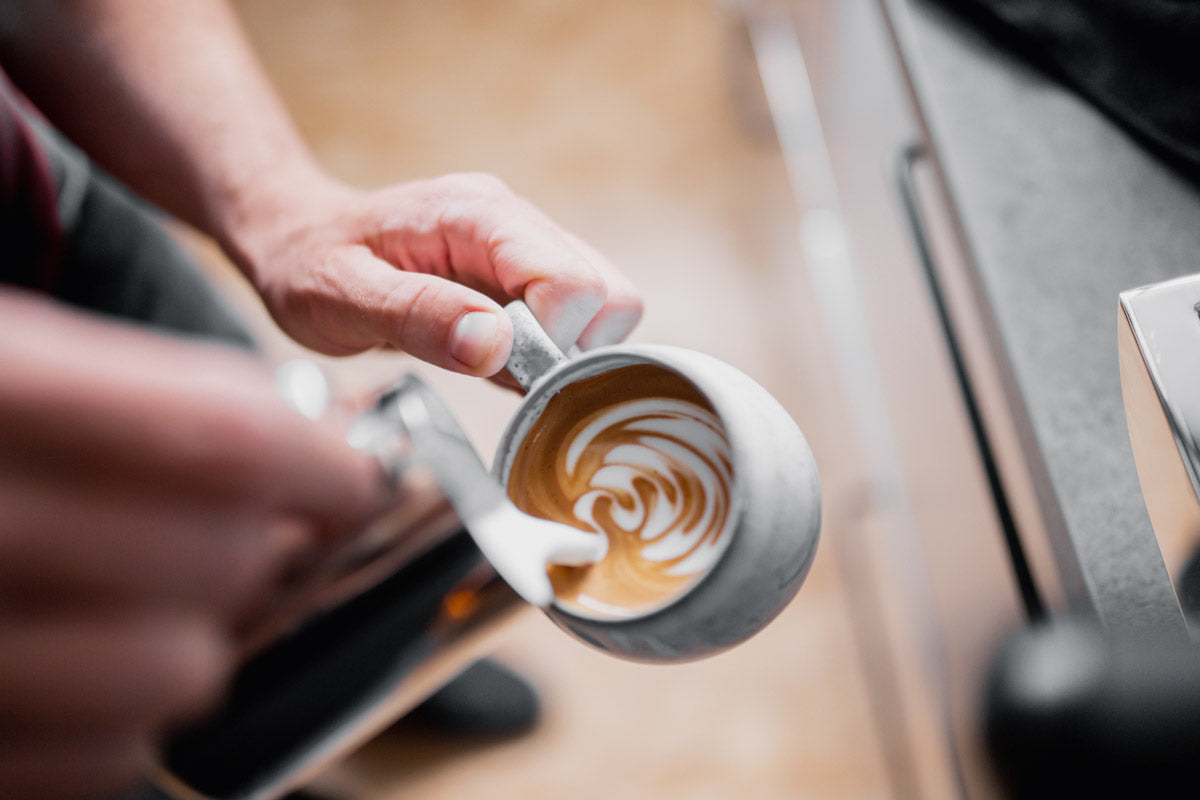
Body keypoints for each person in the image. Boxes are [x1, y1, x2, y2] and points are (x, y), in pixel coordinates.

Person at [0, 2, 642, 798]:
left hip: (37, 204)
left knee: (298, 489)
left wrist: (277, 204)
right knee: (117, 735)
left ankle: (397, 642)